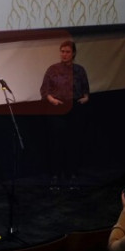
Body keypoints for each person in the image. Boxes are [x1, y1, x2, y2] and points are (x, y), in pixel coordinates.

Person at [39, 39, 90, 188]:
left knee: (73, 142)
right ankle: (55, 175)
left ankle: (72, 174)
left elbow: (86, 89)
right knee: (56, 143)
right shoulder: (53, 69)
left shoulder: (79, 70)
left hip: (75, 108)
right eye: (62, 51)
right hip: (57, 108)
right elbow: (44, 90)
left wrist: (86, 98)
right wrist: (51, 100)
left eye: (67, 52)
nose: (64, 54)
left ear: (73, 53)